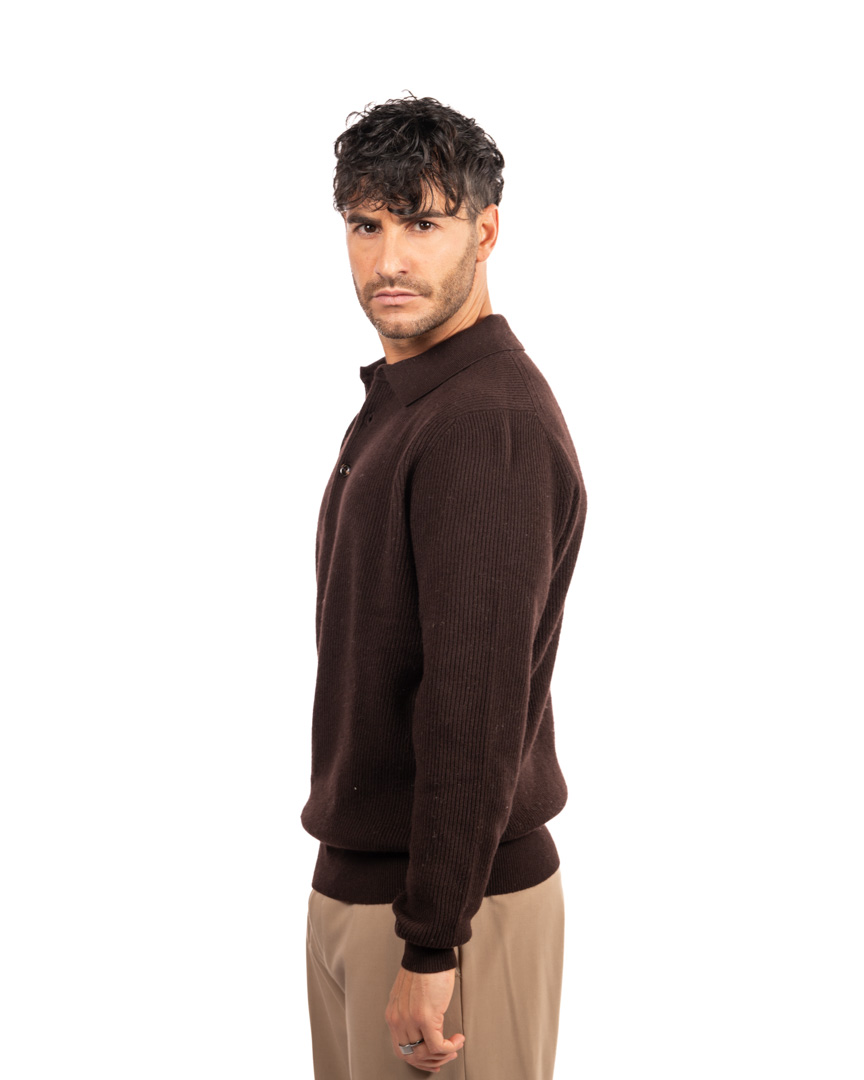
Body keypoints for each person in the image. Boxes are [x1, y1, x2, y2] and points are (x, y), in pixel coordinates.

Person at [301, 94, 587, 1079]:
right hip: (364, 893)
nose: (389, 259)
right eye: (366, 225)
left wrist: (431, 942)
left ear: (486, 230)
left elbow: (475, 705)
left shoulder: (483, 422)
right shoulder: (407, 402)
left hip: (450, 916)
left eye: (422, 224)